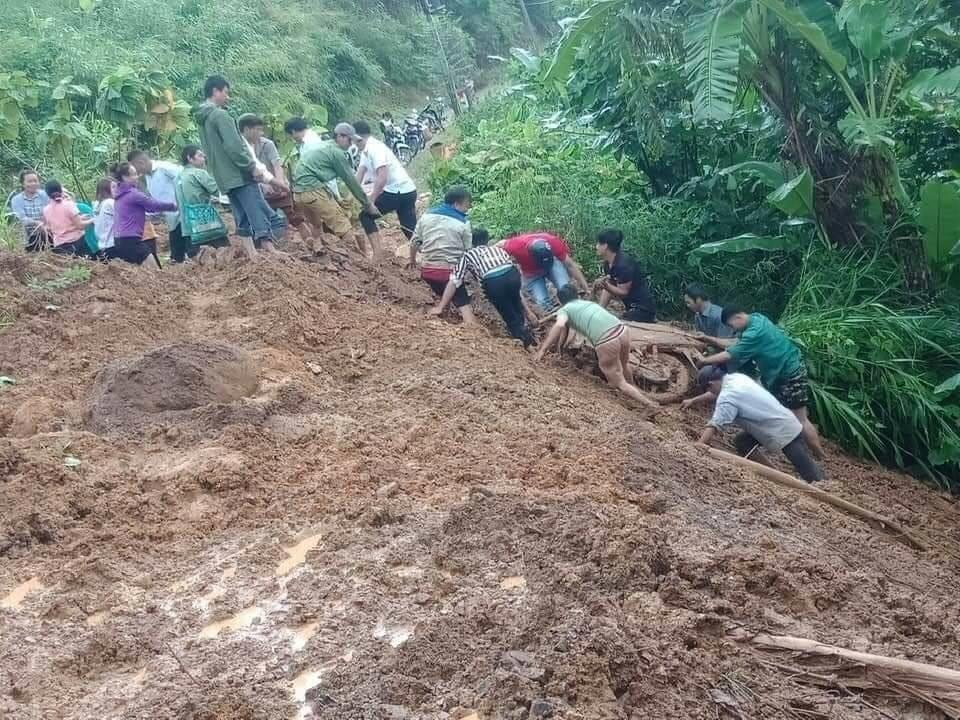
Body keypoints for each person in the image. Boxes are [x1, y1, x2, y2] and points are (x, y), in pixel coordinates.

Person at [699, 305, 825, 459]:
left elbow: (730, 354)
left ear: (737, 317)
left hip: (789, 374)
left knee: (801, 419)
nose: (735, 330)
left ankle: (819, 456)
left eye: (732, 326)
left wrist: (704, 361)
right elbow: (734, 344)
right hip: (779, 374)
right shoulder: (757, 318)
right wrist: (708, 338)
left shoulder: (754, 333)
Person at [195, 75, 285, 259]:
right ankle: (270, 249)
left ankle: (252, 252)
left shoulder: (202, 119)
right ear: (215, 91)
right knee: (256, 208)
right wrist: (251, 166)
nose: (228, 97)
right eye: (226, 93)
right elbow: (234, 146)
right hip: (238, 174)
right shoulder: (220, 115)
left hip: (223, 177)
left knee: (240, 213)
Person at [691, 366, 825, 483]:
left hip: (783, 431)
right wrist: (693, 401)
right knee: (742, 442)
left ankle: (824, 489)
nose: (711, 394)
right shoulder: (736, 378)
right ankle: (774, 473)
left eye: (709, 390)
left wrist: (700, 445)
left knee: (808, 473)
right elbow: (717, 395)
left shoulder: (727, 396)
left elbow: (715, 424)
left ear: (711, 384)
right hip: (780, 421)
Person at [536, 285, 659, 411]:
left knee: (618, 382)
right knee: (624, 364)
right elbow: (565, 331)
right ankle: (633, 388)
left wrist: (542, 350)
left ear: (560, 300)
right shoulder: (587, 303)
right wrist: (560, 349)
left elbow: (558, 327)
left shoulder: (564, 310)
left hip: (607, 341)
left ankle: (650, 405)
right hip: (622, 331)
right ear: (576, 295)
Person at [432, 227, 537, 347]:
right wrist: (528, 311)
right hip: (513, 275)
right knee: (516, 306)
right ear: (487, 240)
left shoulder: (467, 255)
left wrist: (441, 306)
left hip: (493, 282)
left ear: (471, 242)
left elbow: (454, 280)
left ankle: (525, 343)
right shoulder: (498, 250)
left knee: (508, 313)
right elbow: (515, 287)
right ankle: (527, 333)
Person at [292, 122, 379, 257]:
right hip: (313, 191)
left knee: (316, 224)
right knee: (344, 227)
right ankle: (361, 262)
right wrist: (368, 205)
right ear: (340, 137)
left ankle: (318, 249)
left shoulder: (323, 146)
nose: (352, 144)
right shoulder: (336, 153)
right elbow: (351, 182)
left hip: (298, 194)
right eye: (350, 140)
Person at [239, 114, 313, 246]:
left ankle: (310, 243)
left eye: (261, 130)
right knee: (265, 220)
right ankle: (277, 248)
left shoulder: (267, 144)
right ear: (248, 130)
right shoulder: (241, 148)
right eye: (258, 129)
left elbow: (277, 165)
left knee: (295, 218)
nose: (261, 133)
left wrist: (280, 184)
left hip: (277, 187)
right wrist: (265, 185)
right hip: (261, 190)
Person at [411, 186, 476, 326]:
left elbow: (415, 242)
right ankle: (474, 332)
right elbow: (468, 252)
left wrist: (412, 262)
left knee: (444, 292)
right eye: (466, 206)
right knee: (463, 302)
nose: (467, 209)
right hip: (450, 273)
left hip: (427, 272)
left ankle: (443, 319)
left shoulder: (426, 216)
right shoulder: (464, 223)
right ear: (457, 204)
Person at [354, 119, 418, 262]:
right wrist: (349, 195)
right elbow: (359, 174)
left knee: (365, 216)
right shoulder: (366, 150)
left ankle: (377, 255)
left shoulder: (374, 149)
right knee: (409, 228)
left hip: (398, 192)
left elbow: (382, 178)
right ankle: (432, 254)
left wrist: (371, 201)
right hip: (407, 190)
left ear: (357, 137)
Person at [500, 231, 590, 312]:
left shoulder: (553, 242)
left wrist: (586, 289)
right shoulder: (516, 245)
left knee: (566, 289)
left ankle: (574, 311)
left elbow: (570, 265)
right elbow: (499, 244)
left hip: (552, 265)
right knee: (543, 304)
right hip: (532, 273)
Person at [112, 162, 177, 267]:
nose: (137, 177)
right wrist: (174, 206)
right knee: (155, 272)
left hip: (120, 240)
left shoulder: (119, 195)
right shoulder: (133, 194)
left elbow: (149, 209)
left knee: (141, 275)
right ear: (125, 177)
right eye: (133, 174)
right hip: (131, 241)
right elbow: (153, 205)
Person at [128, 150, 185, 263]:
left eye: (135, 168)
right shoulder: (148, 177)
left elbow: (185, 178)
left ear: (141, 162)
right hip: (171, 217)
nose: (136, 172)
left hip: (182, 213)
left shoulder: (164, 168)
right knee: (178, 251)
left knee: (181, 249)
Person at [177, 145, 231, 262]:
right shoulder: (199, 173)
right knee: (225, 249)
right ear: (190, 158)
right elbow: (218, 191)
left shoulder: (178, 177)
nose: (203, 158)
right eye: (200, 156)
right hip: (205, 219)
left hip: (188, 224)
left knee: (195, 255)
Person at [595, 228, 657, 322]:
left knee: (615, 320)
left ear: (605, 246)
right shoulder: (608, 263)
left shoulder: (623, 265)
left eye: (599, 243)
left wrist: (606, 285)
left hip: (642, 309)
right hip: (631, 307)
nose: (596, 246)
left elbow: (623, 293)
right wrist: (599, 309)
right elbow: (609, 288)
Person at [41, 180, 92, 256]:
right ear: (61, 190)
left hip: (60, 247)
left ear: (47, 194)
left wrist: (81, 217)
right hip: (78, 244)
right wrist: (92, 220)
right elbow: (80, 226)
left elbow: (50, 227)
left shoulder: (45, 210)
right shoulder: (69, 205)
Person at [9, 169, 51, 251]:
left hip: (48, 232)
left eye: (35, 181)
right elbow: (22, 219)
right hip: (29, 236)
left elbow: (52, 210)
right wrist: (37, 223)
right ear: (23, 184)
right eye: (29, 181)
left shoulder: (45, 195)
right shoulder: (16, 200)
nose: (33, 184)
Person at [92, 177, 116, 257]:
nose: (116, 189)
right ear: (106, 189)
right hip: (112, 243)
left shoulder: (96, 204)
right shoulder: (110, 203)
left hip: (102, 244)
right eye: (113, 187)